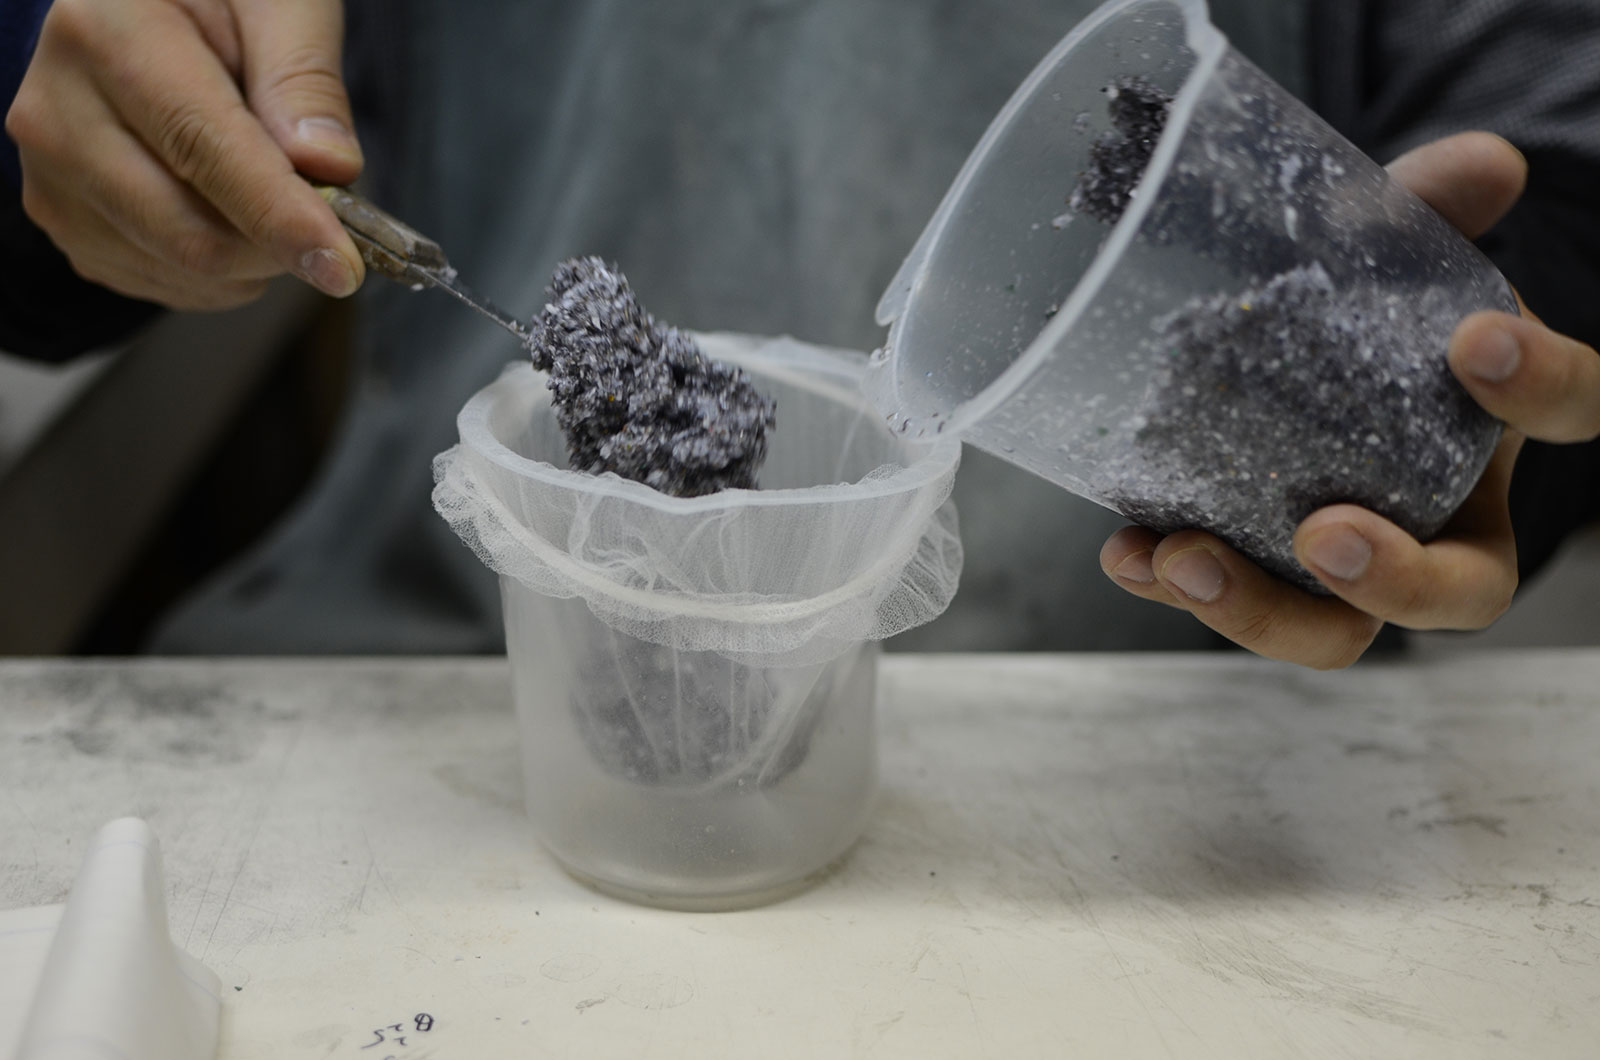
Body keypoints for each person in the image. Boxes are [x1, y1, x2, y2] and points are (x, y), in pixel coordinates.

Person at [3, 0, 1598, 666]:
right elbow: (74, 156)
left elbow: (1555, 142)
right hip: (453, 667)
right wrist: (90, 126)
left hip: (1161, 721)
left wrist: (1465, 361)